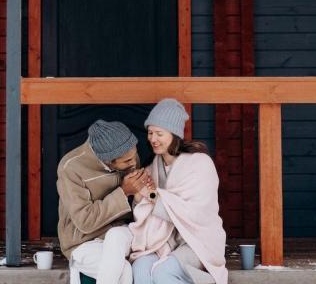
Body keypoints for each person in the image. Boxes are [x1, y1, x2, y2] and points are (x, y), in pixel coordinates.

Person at [129, 98, 228, 284]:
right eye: (150, 133)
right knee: (141, 268)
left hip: (197, 242)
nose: (152, 139)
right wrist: (137, 196)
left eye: (159, 133)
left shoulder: (199, 164)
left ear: (174, 134)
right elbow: (143, 209)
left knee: (163, 272)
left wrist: (150, 194)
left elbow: (195, 214)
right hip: (162, 241)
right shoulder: (152, 167)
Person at [56, 119, 153, 284]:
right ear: (108, 160)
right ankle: (79, 266)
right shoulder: (71, 168)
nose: (133, 162)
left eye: (133, 155)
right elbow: (84, 220)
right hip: (83, 241)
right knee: (124, 270)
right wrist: (123, 192)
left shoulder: (128, 156)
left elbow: (138, 205)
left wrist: (141, 192)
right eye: (127, 161)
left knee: (117, 241)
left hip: (119, 233)